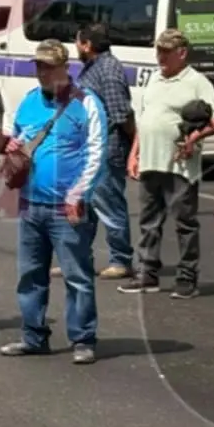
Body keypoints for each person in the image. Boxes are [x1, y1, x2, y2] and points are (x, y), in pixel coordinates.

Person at [0, 39, 107, 364]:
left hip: (67, 207)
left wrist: (78, 194)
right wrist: (13, 145)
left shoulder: (87, 103)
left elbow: (97, 152)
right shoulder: (29, 100)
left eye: (48, 66)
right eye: (38, 66)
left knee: (77, 277)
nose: (42, 72)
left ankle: (83, 339)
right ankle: (33, 336)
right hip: (31, 204)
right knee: (30, 274)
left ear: (65, 67)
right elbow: (17, 137)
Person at [120, 29, 214, 299]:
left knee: (184, 223)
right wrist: (134, 153)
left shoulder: (196, 81)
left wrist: (194, 137)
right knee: (148, 222)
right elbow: (145, 119)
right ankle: (147, 274)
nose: (161, 56)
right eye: (159, 50)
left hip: (180, 166)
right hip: (150, 161)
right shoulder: (154, 78)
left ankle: (187, 278)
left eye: (166, 51)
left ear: (182, 53)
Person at [75, 23, 135, 280]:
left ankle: (120, 260)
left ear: (87, 45)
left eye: (78, 42)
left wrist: (134, 148)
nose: (76, 47)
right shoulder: (94, 67)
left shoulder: (108, 69)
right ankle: (78, 259)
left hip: (107, 150)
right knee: (85, 208)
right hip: (88, 150)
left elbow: (121, 113)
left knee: (109, 205)